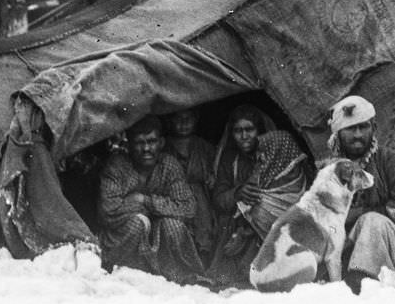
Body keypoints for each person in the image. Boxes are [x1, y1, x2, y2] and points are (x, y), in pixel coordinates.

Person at [327, 95, 395, 294]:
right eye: (350, 129)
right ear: (338, 134)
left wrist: (360, 213)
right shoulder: (328, 173)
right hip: (345, 249)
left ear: (373, 129)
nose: (357, 135)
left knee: (371, 222)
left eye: (363, 127)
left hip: (392, 249)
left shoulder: (390, 161)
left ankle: (362, 283)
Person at [207, 104, 310, 286]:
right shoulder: (230, 159)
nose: (244, 136)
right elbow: (218, 199)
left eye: (249, 129)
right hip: (241, 224)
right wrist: (237, 193)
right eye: (238, 131)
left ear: (259, 131)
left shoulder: (278, 153)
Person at [97, 115, 205, 284]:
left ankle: (178, 276)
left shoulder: (169, 165)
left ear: (161, 143)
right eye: (140, 142)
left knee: (173, 226)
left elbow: (188, 208)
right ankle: (117, 271)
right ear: (129, 145)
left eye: (152, 141)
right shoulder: (117, 166)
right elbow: (108, 211)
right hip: (126, 239)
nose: (146, 148)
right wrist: (149, 214)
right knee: (138, 224)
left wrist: (144, 201)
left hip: (161, 238)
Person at [164, 108, 217, 262]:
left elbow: (214, 168)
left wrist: (211, 177)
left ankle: (203, 259)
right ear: (170, 121)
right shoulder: (164, 145)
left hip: (200, 195)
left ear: (196, 119)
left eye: (189, 119)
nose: (184, 123)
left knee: (204, 227)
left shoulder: (203, 146)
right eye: (178, 119)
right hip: (174, 195)